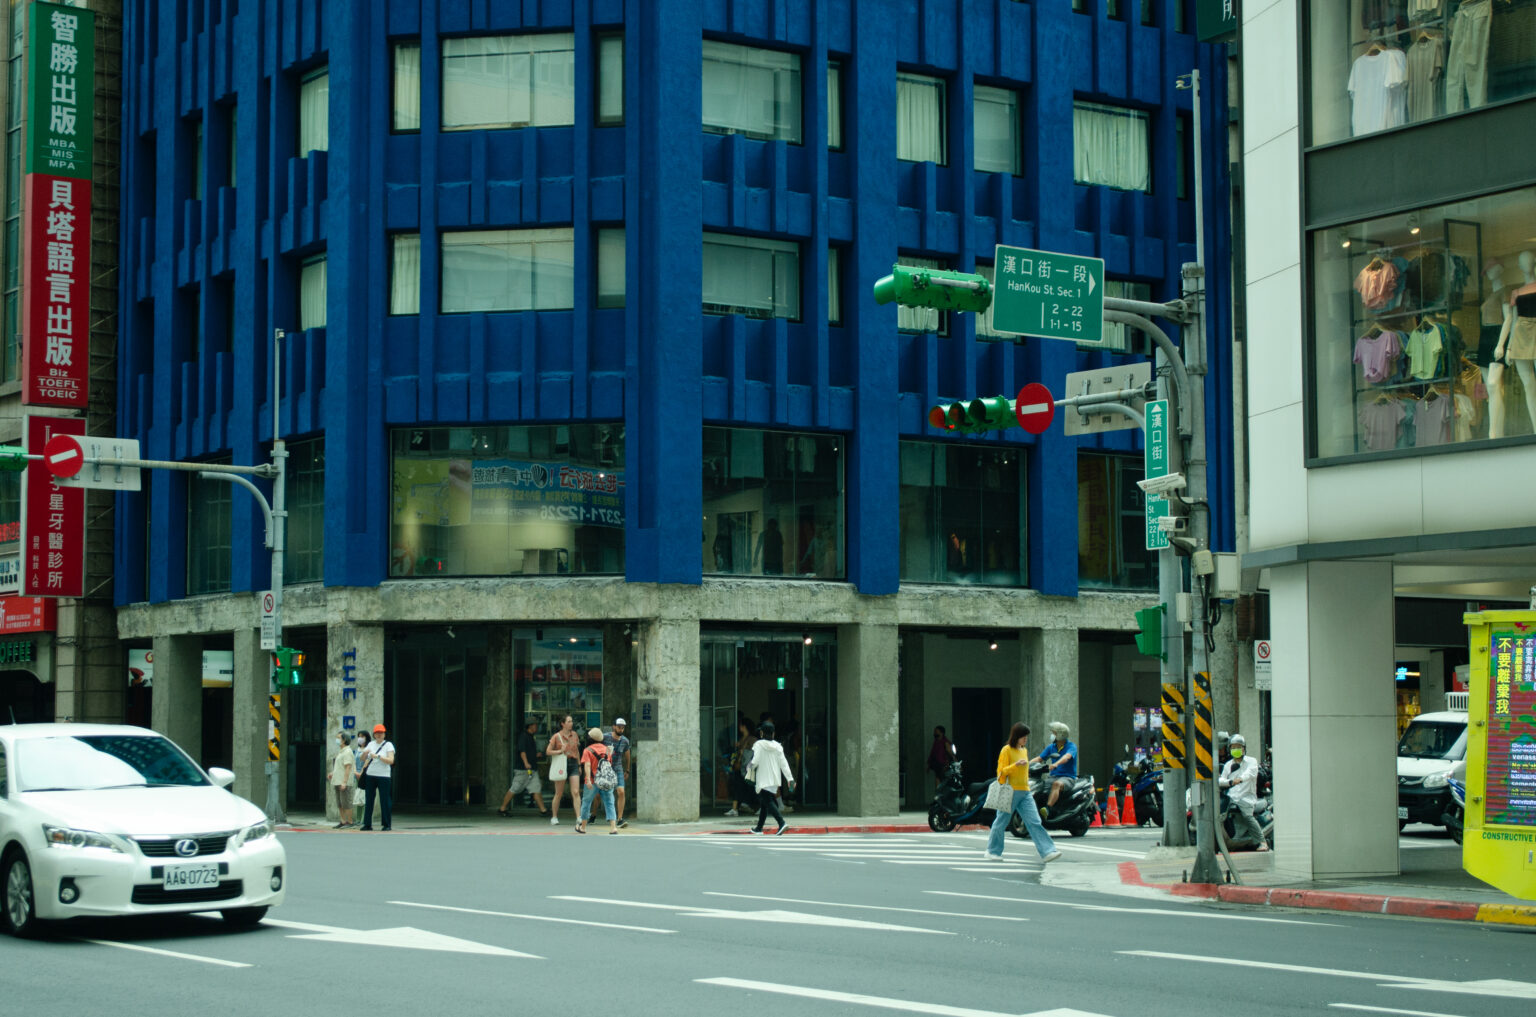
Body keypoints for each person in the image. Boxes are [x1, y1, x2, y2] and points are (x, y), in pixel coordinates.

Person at [987, 722, 1062, 863]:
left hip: (1025, 792)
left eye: (1026, 737)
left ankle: (1048, 851)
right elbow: (1001, 771)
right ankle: (992, 851)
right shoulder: (1006, 750)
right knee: (1001, 822)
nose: (1025, 739)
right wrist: (1015, 765)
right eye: (1023, 736)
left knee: (1035, 821)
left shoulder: (1024, 750)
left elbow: (1025, 771)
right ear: (1016, 736)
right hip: (1010, 791)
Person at [1218, 733, 1268, 852]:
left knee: (1247, 816)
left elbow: (1250, 773)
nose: (1236, 749)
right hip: (1231, 797)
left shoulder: (1251, 761)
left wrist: (1240, 779)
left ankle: (1262, 842)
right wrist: (1229, 782)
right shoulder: (1228, 765)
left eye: (1238, 747)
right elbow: (1221, 779)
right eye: (1233, 747)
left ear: (1244, 748)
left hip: (1246, 797)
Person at [747, 720, 795, 835]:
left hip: (763, 779)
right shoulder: (778, 746)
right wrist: (790, 779)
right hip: (774, 779)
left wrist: (749, 768)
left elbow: (756, 760)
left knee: (767, 801)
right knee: (764, 803)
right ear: (773, 734)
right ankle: (759, 828)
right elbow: (784, 764)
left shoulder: (758, 744)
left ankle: (781, 822)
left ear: (762, 733)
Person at [498, 718, 549, 817]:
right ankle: (502, 808)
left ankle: (543, 810)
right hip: (523, 769)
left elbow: (528, 752)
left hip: (531, 770)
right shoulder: (524, 736)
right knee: (515, 788)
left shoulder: (530, 737)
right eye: (535, 725)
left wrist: (536, 755)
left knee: (536, 788)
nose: (537, 727)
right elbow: (522, 751)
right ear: (530, 726)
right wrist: (526, 763)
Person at [575, 727, 620, 835]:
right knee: (609, 802)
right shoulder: (607, 749)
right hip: (605, 780)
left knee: (586, 803)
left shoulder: (587, 750)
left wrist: (588, 780)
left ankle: (583, 827)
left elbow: (587, 765)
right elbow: (608, 765)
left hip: (592, 781)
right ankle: (613, 827)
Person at [1031, 721, 1078, 815]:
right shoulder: (1051, 747)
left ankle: (1048, 809)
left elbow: (1067, 757)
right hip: (1053, 777)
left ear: (1061, 735)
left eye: (1054, 733)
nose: (1052, 735)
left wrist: (1056, 764)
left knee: (1057, 784)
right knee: (1039, 786)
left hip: (1068, 778)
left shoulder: (1071, 746)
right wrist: (1026, 764)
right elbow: (1040, 758)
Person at [359, 723, 396, 832]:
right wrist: (365, 753)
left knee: (385, 800)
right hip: (371, 775)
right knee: (369, 800)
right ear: (374, 734)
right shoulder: (370, 744)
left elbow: (391, 760)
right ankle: (367, 824)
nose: (379, 735)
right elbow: (362, 758)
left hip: (384, 776)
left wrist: (378, 757)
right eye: (377, 733)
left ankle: (386, 824)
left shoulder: (388, 745)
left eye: (381, 733)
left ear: (384, 734)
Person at [545, 713, 581, 826]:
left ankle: (579, 817)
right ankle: (554, 816)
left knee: (575, 791)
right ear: (563, 724)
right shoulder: (556, 736)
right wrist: (560, 751)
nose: (571, 723)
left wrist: (579, 765)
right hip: (561, 763)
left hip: (573, 763)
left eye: (571, 721)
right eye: (569, 721)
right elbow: (548, 751)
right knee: (559, 793)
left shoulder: (575, 735)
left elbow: (577, 751)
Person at [725, 718, 757, 817]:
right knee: (738, 786)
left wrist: (742, 749)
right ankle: (736, 808)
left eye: (741, 725)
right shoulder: (742, 739)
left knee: (748, 787)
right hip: (739, 767)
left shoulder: (751, 739)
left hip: (746, 768)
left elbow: (752, 754)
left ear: (744, 727)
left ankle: (745, 805)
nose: (739, 728)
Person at [604, 718, 631, 828]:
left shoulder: (625, 741)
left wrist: (627, 770)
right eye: (619, 726)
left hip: (618, 768)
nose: (621, 729)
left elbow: (627, 755)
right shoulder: (605, 737)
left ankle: (619, 818)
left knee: (621, 791)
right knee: (600, 794)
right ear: (613, 726)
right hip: (606, 768)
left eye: (623, 727)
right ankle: (594, 814)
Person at [329, 730, 356, 828]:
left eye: (338, 738)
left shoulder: (348, 752)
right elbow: (340, 767)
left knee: (346, 803)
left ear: (344, 740)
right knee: (339, 803)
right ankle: (343, 820)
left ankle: (350, 821)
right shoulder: (340, 752)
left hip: (344, 782)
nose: (337, 740)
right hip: (337, 780)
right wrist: (332, 773)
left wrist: (344, 782)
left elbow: (348, 767)